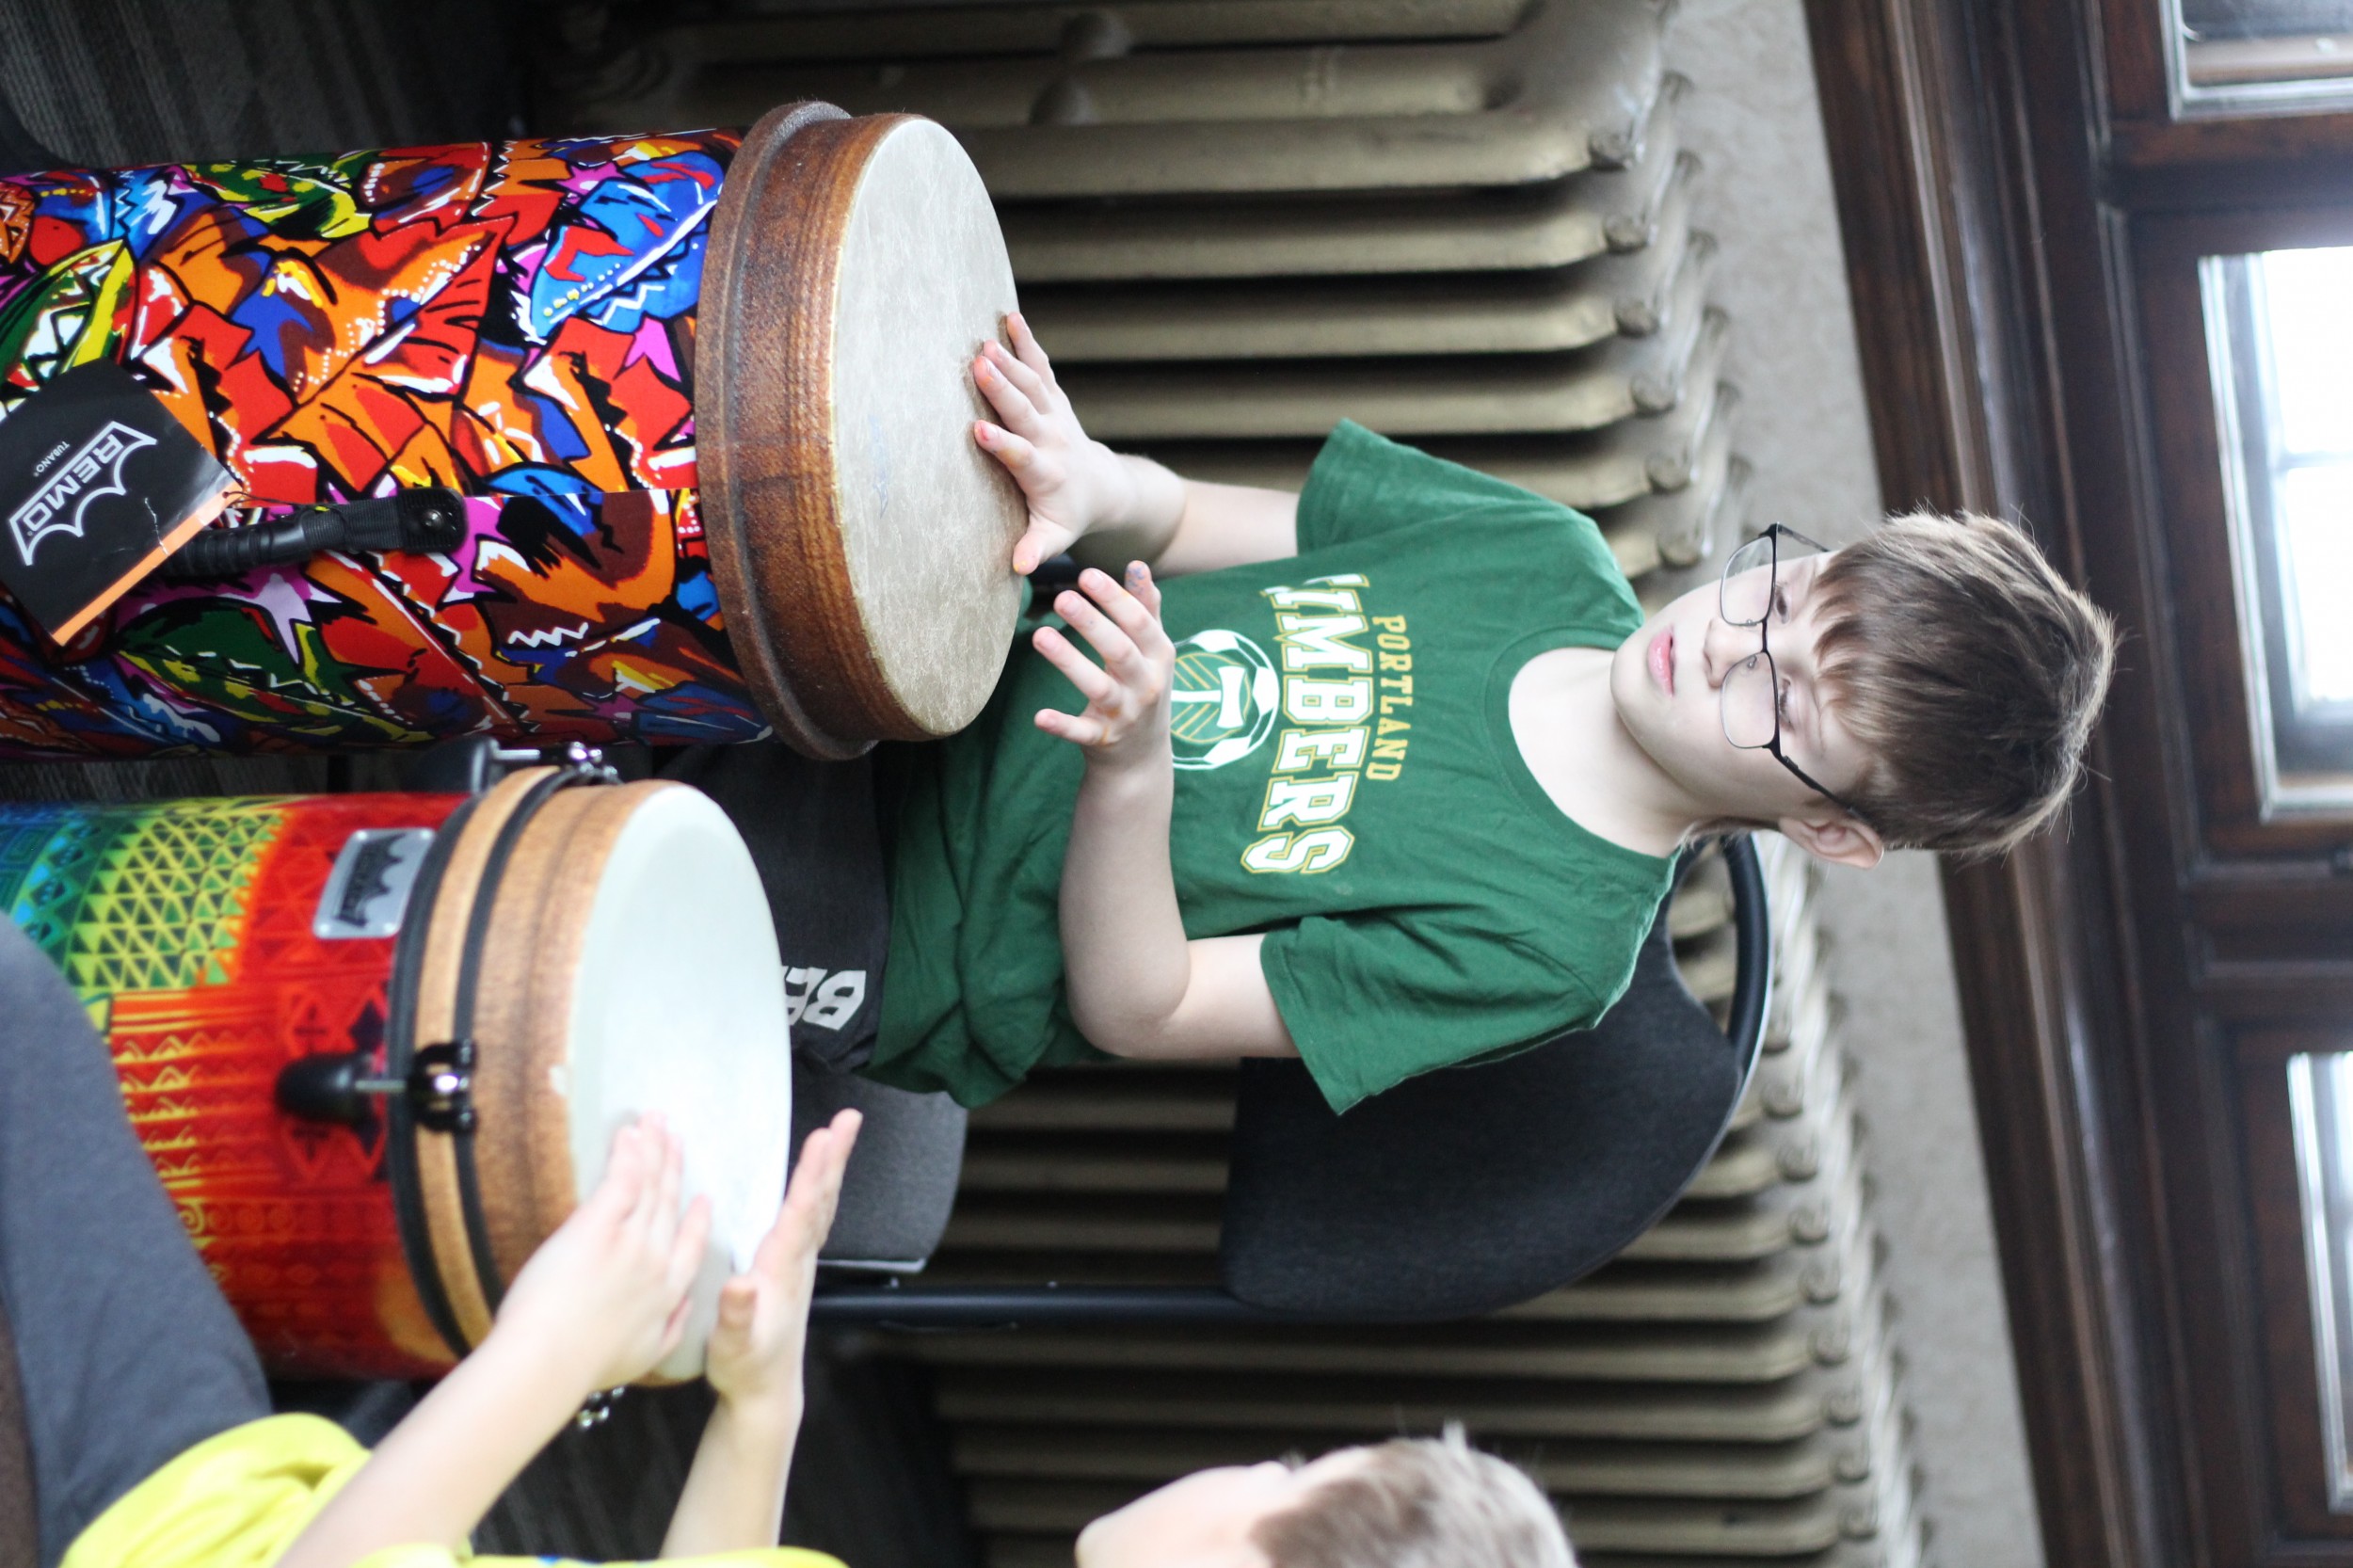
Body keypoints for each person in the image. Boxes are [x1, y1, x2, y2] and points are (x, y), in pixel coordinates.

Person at [1, 920, 1574, 1568]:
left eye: (1286, 1484)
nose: (1246, 1469)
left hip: (192, 1526)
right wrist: (765, 1401)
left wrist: (548, 1352)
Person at [862, 314, 2117, 1112]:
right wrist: (1095, 476)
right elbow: (1182, 518)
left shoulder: (1552, 952)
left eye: (1783, 702)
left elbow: (1141, 1008)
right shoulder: (1541, 552)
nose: (1730, 640)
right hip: (947, 673)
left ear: (1833, 830)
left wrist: (1135, 769)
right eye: (1787, 591)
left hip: (928, 930)